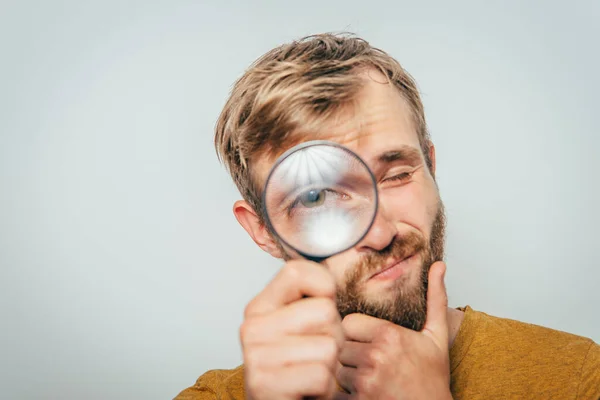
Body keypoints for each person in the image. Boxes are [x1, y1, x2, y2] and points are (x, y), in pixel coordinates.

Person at [175, 33, 600, 399]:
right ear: (261, 230)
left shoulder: (577, 376)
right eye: (316, 198)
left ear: (431, 166)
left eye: (397, 175)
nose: (379, 233)